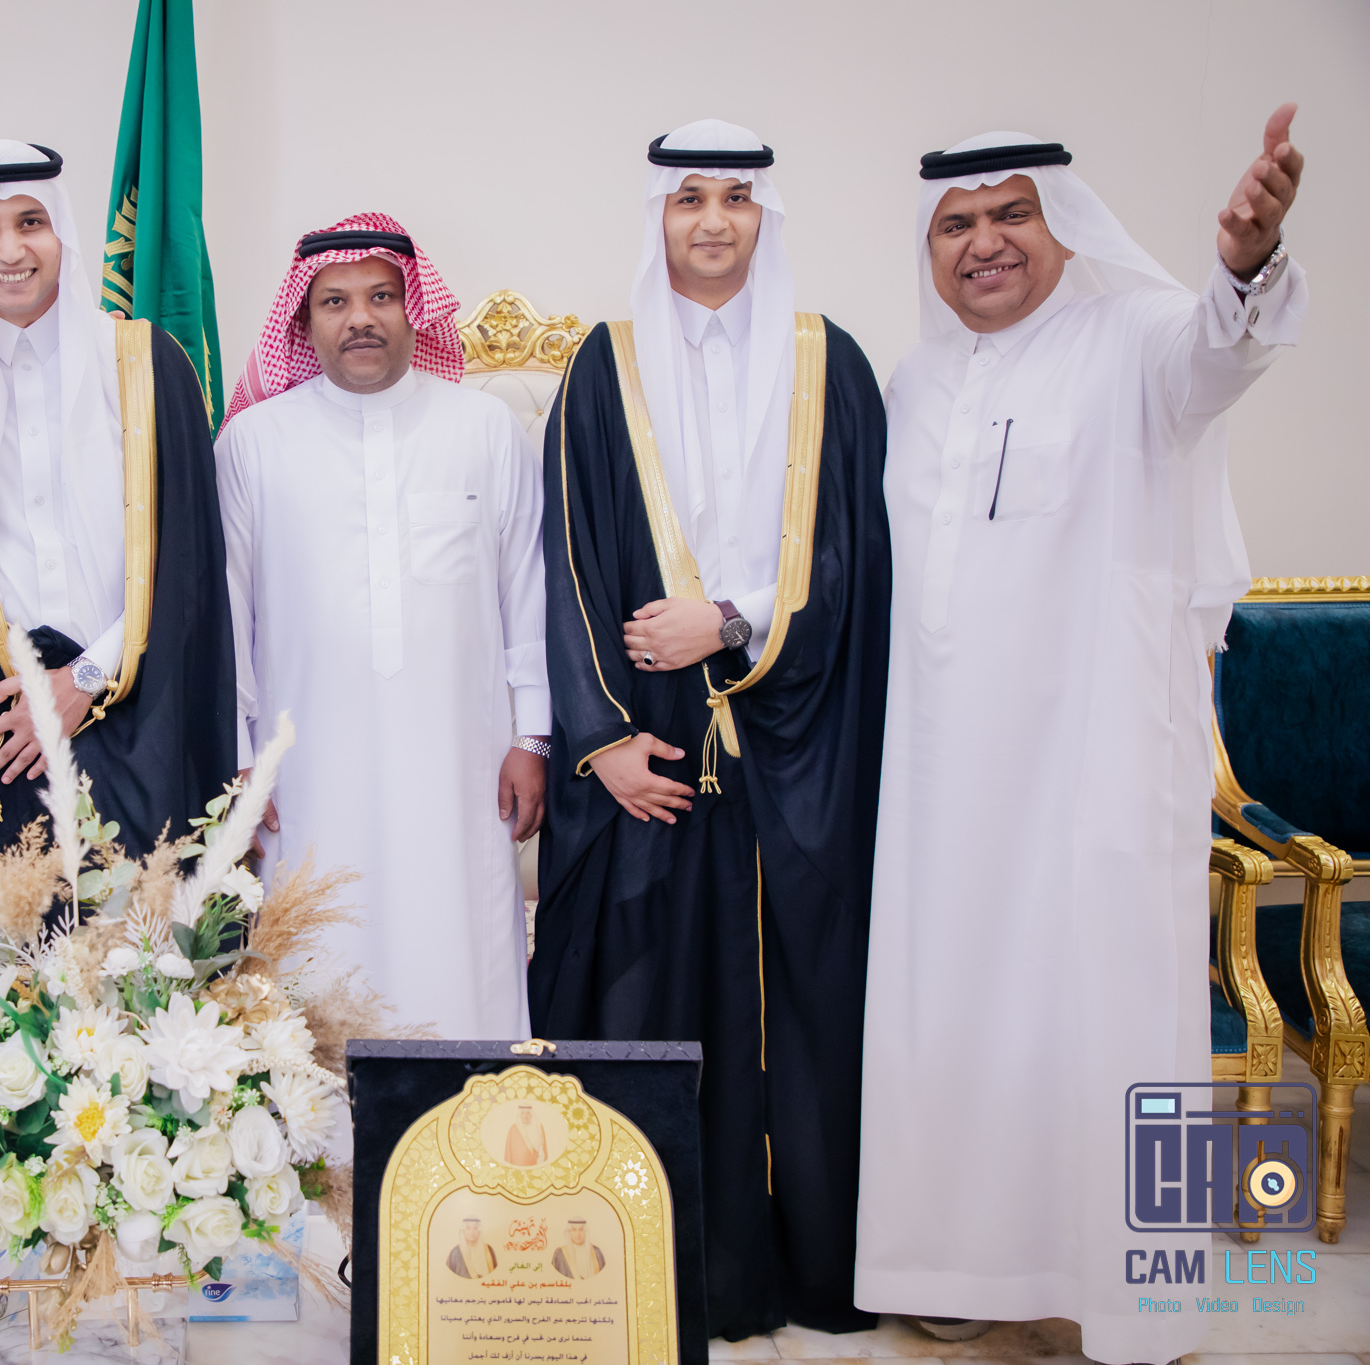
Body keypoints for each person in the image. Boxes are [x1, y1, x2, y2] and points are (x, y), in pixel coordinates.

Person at [855, 110, 1307, 1365]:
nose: (983, 242)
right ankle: (954, 1264)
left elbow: (1222, 348)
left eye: (1012, 214)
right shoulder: (913, 380)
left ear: (1062, 225)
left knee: (1109, 1011)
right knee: (951, 1012)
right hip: (941, 774)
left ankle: (1136, 1296)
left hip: (1093, 762)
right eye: (955, 223)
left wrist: (1246, 261)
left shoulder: (1138, 337)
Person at [528, 121, 890, 1340]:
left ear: (762, 216)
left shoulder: (828, 361)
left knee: (802, 1007)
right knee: (651, 995)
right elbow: (566, 561)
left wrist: (730, 621)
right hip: (651, 750)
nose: (712, 221)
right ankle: (652, 1269)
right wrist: (601, 743)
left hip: (800, 742)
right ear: (658, 217)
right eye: (688, 199)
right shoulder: (603, 364)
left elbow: (853, 560)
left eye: (734, 198)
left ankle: (806, 1265)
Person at [0, 140, 235, 882]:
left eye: (31, 221)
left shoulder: (147, 364)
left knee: (139, 948)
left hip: (134, 723)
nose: (10, 249)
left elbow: (186, 566)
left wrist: (82, 679)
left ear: (62, 233)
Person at [214, 214, 548, 1039]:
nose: (359, 318)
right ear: (304, 321)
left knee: (461, 952)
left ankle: (468, 1123)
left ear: (413, 309)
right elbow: (228, 613)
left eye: (381, 297)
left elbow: (528, 588)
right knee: (318, 956)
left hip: (463, 764)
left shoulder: (483, 428)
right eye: (334, 301)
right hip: (303, 770)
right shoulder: (252, 443)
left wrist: (532, 737)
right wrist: (239, 764)